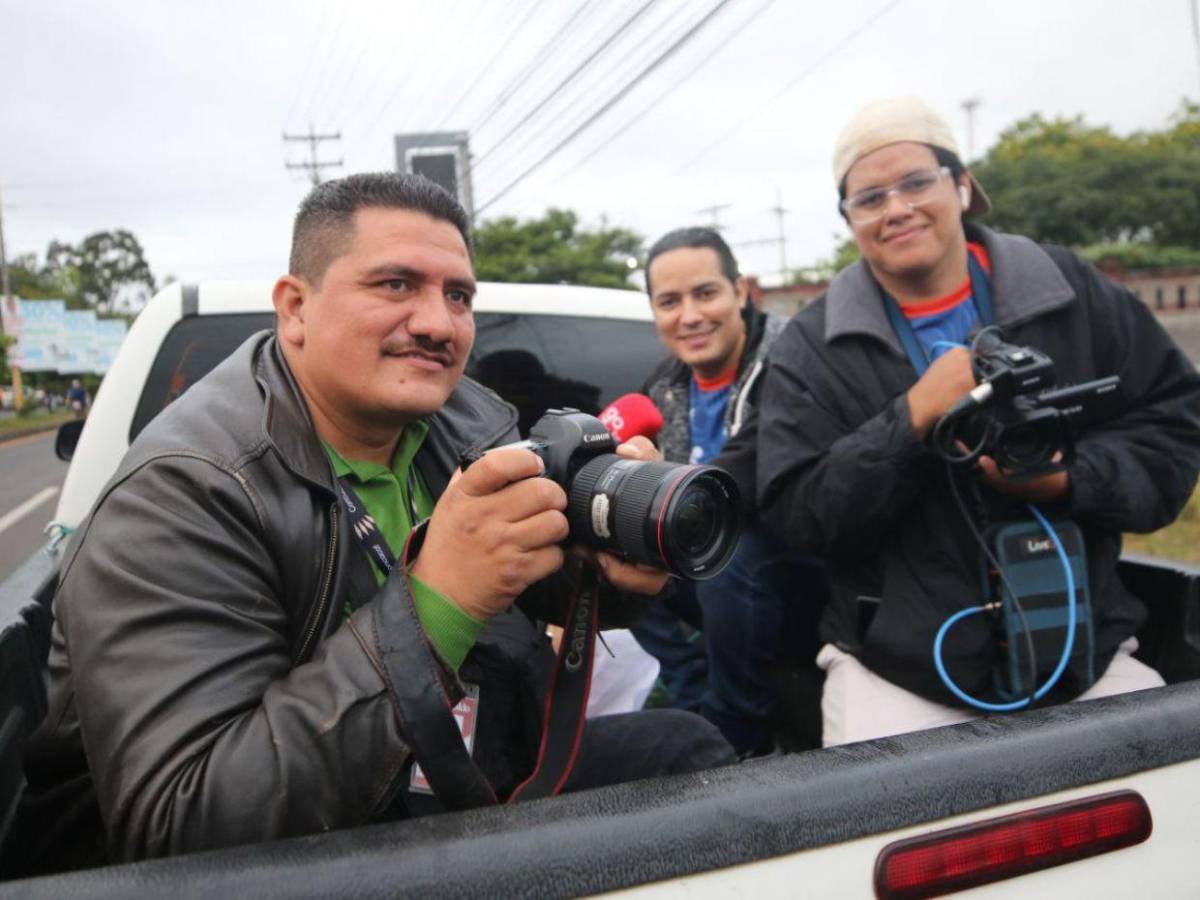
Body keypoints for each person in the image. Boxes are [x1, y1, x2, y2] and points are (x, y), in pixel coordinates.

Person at [15, 173, 732, 871]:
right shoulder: (185, 492)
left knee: (685, 753)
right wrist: (440, 598)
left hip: (444, 764)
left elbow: (530, 584)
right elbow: (186, 824)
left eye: (458, 295)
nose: (438, 323)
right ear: (295, 308)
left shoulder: (461, 422)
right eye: (395, 285)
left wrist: (610, 569)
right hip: (295, 846)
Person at [757, 97, 1200, 747]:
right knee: (885, 807)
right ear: (849, 219)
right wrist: (912, 417)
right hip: (900, 675)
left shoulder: (1068, 290)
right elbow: (799, 514)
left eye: (916, 182)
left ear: (962, 186)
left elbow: (1173, 421)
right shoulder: (812, 346)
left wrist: (1069, 479)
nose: (897, 208)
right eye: (870, 197)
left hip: (1086, 649)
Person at [634, 227, 824, 757]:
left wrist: (668, 503)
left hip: (797, 574)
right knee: (612, 548)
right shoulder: (665, 384)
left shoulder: (795, 357)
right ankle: (695, 697)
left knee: (730, 556)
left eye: (705, 293)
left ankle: (737, 736)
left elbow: (755, 469)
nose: (690, 316)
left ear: (741, 291)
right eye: (670, 302)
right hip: (710, 573)